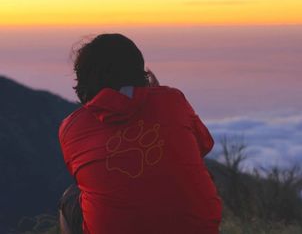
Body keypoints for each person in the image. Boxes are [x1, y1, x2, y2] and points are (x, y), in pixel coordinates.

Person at [58, 33, 222, 234]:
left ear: (83, 81)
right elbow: (202, 146)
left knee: (72, 196)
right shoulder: (172, 100)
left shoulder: (72, 127)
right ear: (139, 70)